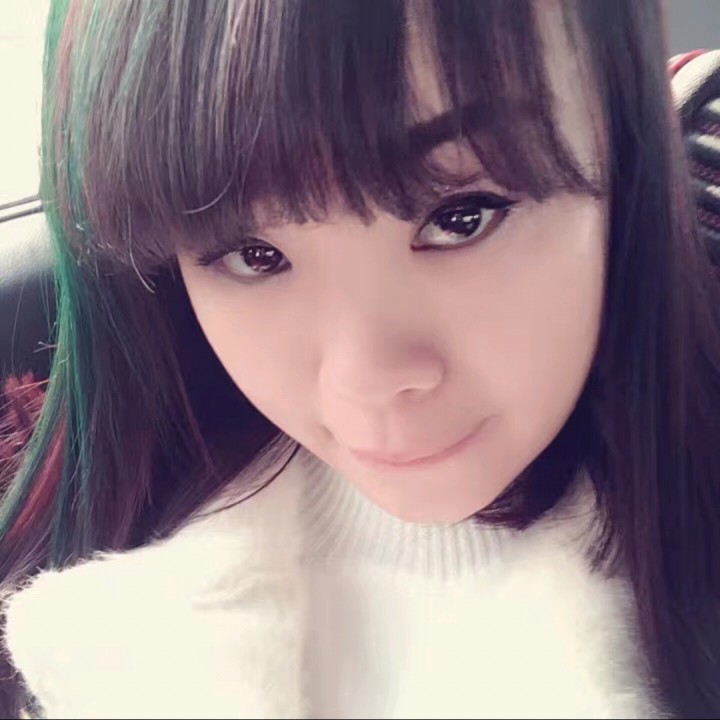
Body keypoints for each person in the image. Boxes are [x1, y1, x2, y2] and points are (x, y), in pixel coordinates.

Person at [0, 0, 719, 717]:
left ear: (623, 150)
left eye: (461, 216)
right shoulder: (113, 604)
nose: (364, 383)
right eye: (253, 255)